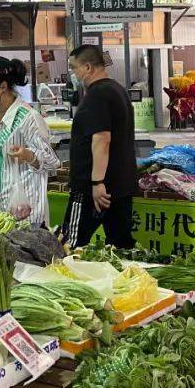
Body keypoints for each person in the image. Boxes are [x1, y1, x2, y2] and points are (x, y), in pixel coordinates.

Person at [0, 56, 60, 225]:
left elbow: (52, 162)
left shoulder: (28, 117)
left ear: (3, 86)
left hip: (26, 209)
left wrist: (29, 155)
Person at [61, 44, 138, 249]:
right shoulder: (117, 90)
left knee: (71, 245)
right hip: (119, 186)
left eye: (73, 67)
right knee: (121, 246)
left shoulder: (98, 95)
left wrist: (97, 182)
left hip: (94, 190)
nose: (72, 73)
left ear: (87, 67)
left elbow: (102, 140)